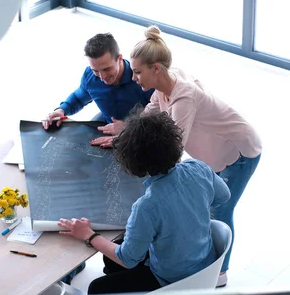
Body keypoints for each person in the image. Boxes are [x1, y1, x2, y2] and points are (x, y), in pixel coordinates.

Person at [97, 25, 262, 287]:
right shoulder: (163, 87)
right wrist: (123, 135)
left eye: (138, 71)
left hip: (239, 151)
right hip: (214, 154)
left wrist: (137, 162)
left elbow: (172, 149)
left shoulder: (184, 98)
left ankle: (218, 273)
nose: (135, 77)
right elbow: (147, 116)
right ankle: (191, 256)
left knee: (220, 210)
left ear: (156, 69)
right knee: (199, 201)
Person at [58, 111, 231, 294]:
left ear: (133, 164)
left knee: (96, 287)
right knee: (112, 256)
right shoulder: (198, 167)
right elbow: (223, 196)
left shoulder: (147, 207)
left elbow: (127, 259)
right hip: (204, 263)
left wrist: (90, 235)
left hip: (172, 279)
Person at [42, 32, 154, 147]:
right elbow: (78, 98)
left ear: (119, 58)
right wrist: (62, 110)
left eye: (106, 69)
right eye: (96, 70)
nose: (102, 77)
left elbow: (160, 119)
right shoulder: (90, 76)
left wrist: (128, 129)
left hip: (140, 131)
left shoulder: (141, 78)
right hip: (107, 124)